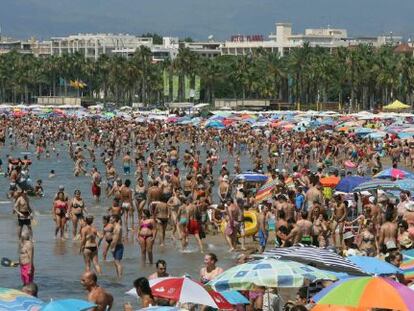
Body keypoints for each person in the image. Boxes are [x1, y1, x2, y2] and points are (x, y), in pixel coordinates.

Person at [110, 214, 123, 279]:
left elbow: (116, 238)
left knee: (117, 262)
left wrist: (113, 247)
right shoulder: (115, 226)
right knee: (116, 262)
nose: (110, 219)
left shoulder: (118, 227)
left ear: (115, 219)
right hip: (116, 246)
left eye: (111, 218)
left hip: (118, 246)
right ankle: (118, 276)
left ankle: (120, 277)